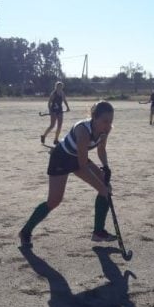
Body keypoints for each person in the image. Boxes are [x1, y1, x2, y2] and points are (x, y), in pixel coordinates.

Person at [20, 101, 117, 248]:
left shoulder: (105, 129)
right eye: (105, 121)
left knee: (106, 187)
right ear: (94, 118)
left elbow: (101, 150)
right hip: (61, 158)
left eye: (110, 121)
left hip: (77, 157)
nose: (108, 125)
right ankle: (25, 231)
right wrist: (101, 185)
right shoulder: (83, 131)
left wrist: (106, 167)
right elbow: (83, 166)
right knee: (54, 201)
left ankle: (98, 232)